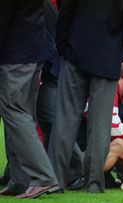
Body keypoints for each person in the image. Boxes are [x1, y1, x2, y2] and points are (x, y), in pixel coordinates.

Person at [47, 0, 123, 193]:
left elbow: (66, 12)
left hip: (76, 51)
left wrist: (65, 45)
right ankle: (94, 183)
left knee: (64, 121)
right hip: (107, 58)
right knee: (100, 126)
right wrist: (112, 43)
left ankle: (55, 180)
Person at [0, 0, 59, 198]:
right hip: (33, 51)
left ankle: (42, 177)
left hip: (15, 54)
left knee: (14, 110)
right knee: (21, 113)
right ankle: (20, 179)